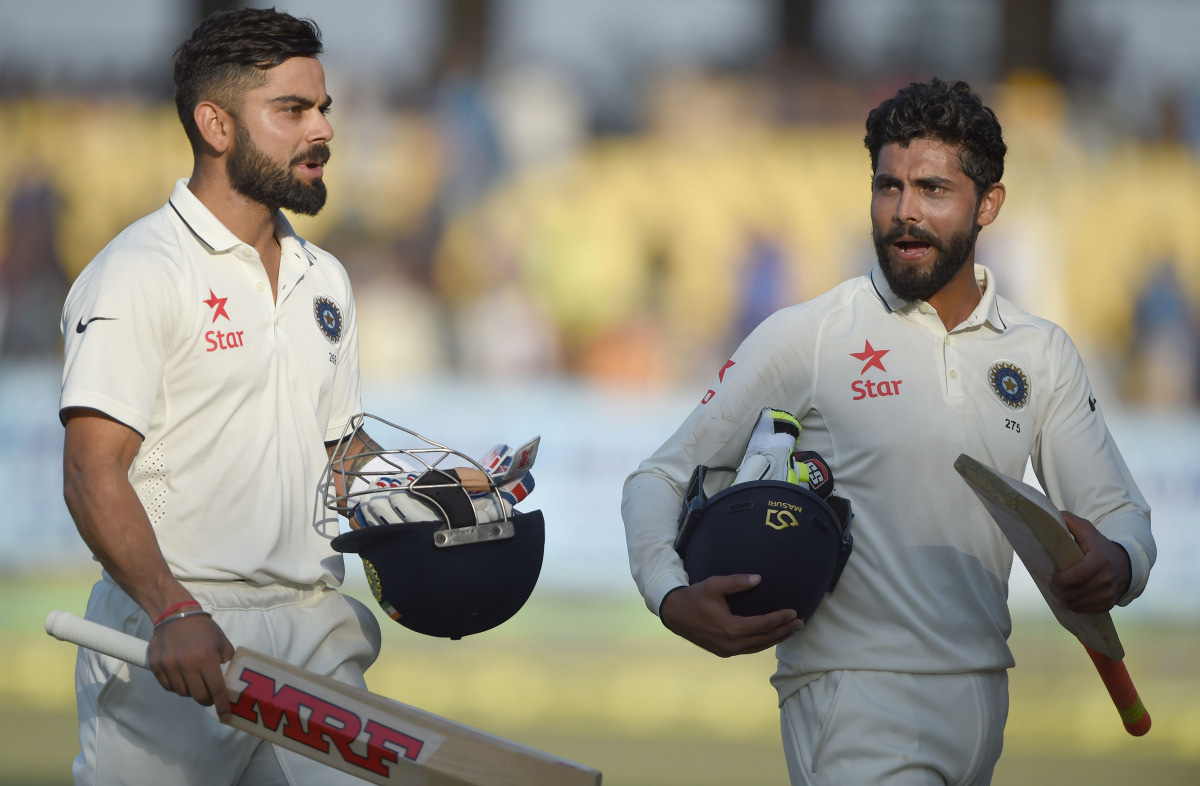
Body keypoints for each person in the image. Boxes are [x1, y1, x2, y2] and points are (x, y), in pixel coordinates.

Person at [621, 78, 1155, 785]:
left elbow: (1117, 511)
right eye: (887, 187)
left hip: (983, 695)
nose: (904, 213)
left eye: (933, 189)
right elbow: (659, 477)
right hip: (854, 698)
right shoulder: (808, 336)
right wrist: (669, 595)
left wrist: (1117, 564)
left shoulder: (1039, 351)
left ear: (988, 204)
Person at [59, 9, 381, 784]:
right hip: (177, 637)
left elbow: (341, 457)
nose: (322, 130)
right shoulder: (139, 270)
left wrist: (441, 497)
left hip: (316, 631)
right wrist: (172, 609)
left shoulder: (324, 277)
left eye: (324, 107)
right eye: (293, 110)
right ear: (216, 123)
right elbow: (91, 470)